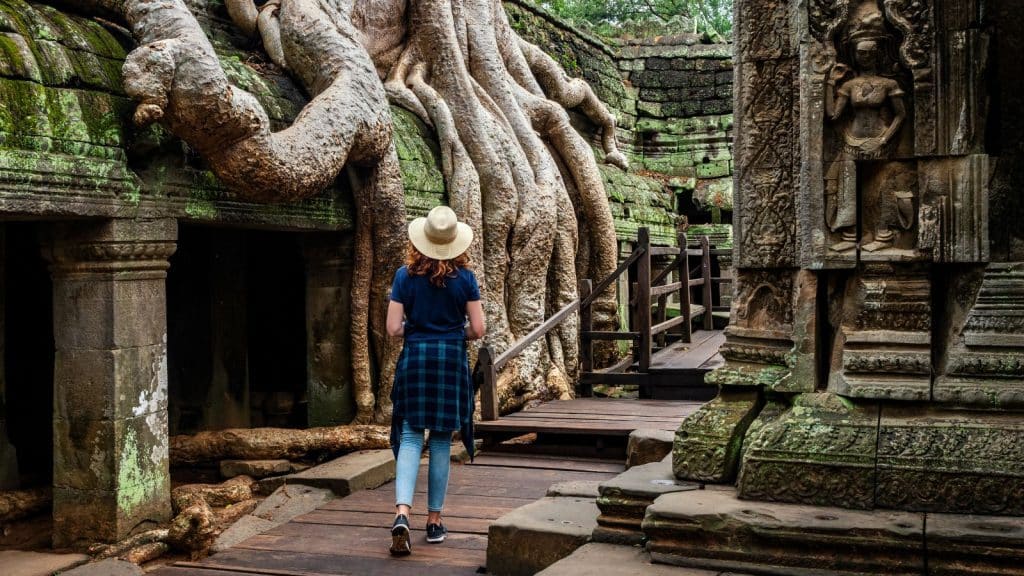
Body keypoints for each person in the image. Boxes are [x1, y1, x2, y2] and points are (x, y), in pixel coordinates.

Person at [386, 205, 485, 556]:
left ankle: (401, 514)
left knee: (412, 435)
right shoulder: (466, 280)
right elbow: (478, 329)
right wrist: (454, 332)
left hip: (416, 358)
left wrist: (417, 328)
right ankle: (433, 521)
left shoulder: (403, 276)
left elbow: (393, 328)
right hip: (449, 359)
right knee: (441, 440)